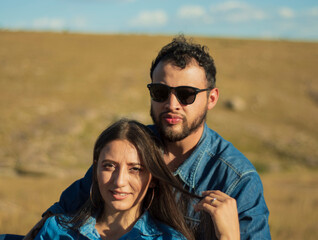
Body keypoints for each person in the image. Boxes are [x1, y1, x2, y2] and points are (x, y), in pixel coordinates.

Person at [25, 35, 270, 239]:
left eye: (186, 94)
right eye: (160, 92)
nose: (172, 104)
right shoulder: (127, 146)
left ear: (212, 98)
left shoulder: (236, 180)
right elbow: (63, 212)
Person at [30, 119, 240, 240]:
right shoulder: (55, 230)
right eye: (109, 166)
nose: (119, 181)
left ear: (154, 179)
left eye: (135, 169)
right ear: (95, 170)